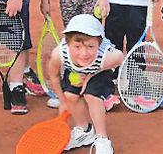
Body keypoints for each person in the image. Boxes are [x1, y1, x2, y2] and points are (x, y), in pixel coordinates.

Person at [47, 14, 124, 154]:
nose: (84, 53)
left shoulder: (107, 57)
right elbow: (54, 75)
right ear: (68, 43)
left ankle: (102, 139)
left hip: (100, 69)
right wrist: (62, 100)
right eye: (77, 46)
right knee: (70, 96)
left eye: (90, 46)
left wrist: (89, 76)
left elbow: (120, 58)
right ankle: (85, 131)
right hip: (76, 70)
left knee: (91, 95)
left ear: (99, 44)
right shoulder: (59, 54)